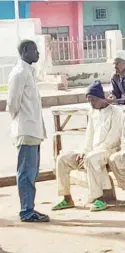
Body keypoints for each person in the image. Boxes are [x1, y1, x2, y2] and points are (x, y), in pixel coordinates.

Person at [53, 81, 123, 212]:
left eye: (94, 100)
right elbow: (89, 134)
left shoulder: (116, 113)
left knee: (92, 159)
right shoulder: (92, 112)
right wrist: (84, 152)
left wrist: (90, 154)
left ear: (102, 98)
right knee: (62, 159)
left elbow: (112, 140)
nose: (92, 103)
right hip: (92, 151)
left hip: (109, 150)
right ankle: (67, 198)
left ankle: (99, 199)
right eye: (89, 100)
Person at [7, 40, 48, 222]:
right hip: (26, 129)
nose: (38, 54)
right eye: (34, 50)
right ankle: (26, 211)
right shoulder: (19, 73)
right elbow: (12, 104)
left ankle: (30, 208)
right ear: (25, 51)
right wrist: (21, 122)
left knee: (32, 173)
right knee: (26, 173)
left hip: (34, 130)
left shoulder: (29, 73)